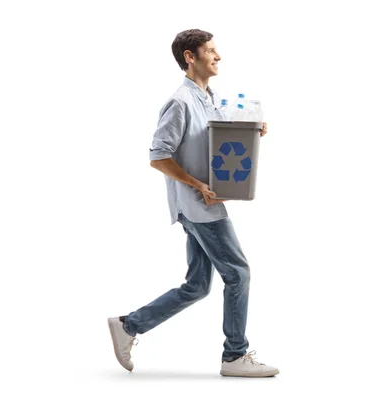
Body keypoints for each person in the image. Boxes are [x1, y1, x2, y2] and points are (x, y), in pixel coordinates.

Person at [107, 29, 278, 378]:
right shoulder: (180, 102)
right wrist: (197, 183)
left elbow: (214, 140)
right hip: (198, 206)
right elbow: (158, 157)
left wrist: (250, 129)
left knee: (198, 285)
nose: (218, 57)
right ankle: (235, 356)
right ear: (190, 56)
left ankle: (129, 326)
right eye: (211, 51)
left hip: (203, 203)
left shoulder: (208, 98)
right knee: (238, 273)